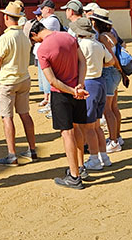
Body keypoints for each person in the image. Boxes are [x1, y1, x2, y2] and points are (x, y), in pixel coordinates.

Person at [29, 20, 88, 190]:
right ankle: (80, 167)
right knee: (77, 129)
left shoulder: (42, 50)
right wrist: (79, 85)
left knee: (67, 133)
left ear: (34, 34)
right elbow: (82, 61)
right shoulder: (68, 36)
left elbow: (52, 80)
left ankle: (74, 176)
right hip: (78, 88)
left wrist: (71, 91)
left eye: (33, 40)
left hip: (61, 94)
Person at [0, 1, 37, 165]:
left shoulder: (5, 37)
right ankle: (32, 150)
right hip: (23, 78)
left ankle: (12, 155)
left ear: (6, 17)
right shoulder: (24, 37)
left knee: (7, 117)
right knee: (25, 114)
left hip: (8, 80)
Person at [69, 17, 114, 172]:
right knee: (96, 125)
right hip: (100, 81)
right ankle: (103, 156)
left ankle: (94, 158)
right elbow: (110, 61)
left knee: (88, 126)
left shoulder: (81, 45)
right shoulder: (97, 44)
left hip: (88, 83)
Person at [91, 9, 125, 153]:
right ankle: (116, 136)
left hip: (109, 73)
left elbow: (111, 58)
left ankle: (113, 141)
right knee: (114, 107)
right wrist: (121, 72)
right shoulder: (111, 35)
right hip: (115, 73)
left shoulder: (102, 37)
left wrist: (106, 65)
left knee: (107, 109)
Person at [34, 0, 61, 116]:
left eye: (43, 8)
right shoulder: (47, 20)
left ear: (48, 9)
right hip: (44, 54)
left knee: (50, 80)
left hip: (48, 55)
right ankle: (50, 104)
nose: (41, 11)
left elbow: (37, 30)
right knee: (46, 81)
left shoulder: (51, 21)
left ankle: (52, 106)